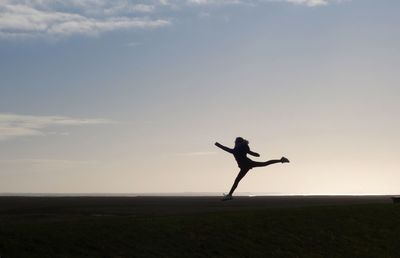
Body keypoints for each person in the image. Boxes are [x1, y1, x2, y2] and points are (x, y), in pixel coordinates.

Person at [215, 137, 289, 201]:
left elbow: (224, 148)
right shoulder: (242, 149)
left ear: (237, 143)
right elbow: (254, 154)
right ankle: (281, 160)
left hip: (246, 166)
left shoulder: (235, 151)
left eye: (235, 142)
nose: (234, 143)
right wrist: (255, 154)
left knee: (237, 180)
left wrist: (217, 144)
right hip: (248, 164)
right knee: (264, 164)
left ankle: (230, 195)